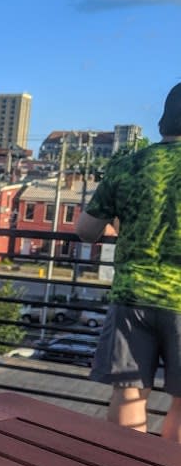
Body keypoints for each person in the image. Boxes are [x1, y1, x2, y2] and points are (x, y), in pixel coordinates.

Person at [76, 82, 181, 442]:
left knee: (128, 394)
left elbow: (86, 231)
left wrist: (124, 222)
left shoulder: (128, 166)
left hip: (131, 296)